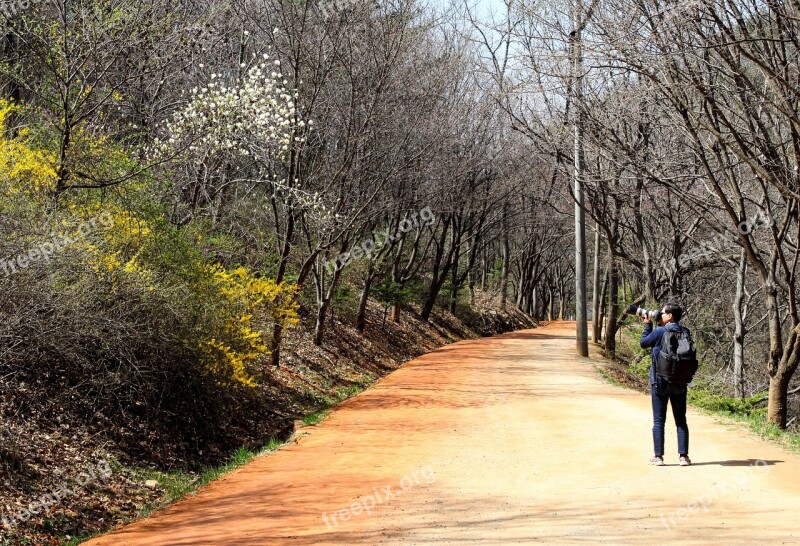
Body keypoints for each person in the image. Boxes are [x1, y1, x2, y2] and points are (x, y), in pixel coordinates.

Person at [640, 302, 691, 467]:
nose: (660, 315)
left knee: (659, 421)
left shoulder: (660, 331)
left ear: (670, 316)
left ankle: (659, 457)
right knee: (681, 421)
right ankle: (683, 457)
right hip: (680, 383)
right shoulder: (685, 332)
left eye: (662, 313)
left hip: (660, 382)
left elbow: (643, 343)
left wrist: (648, 325)